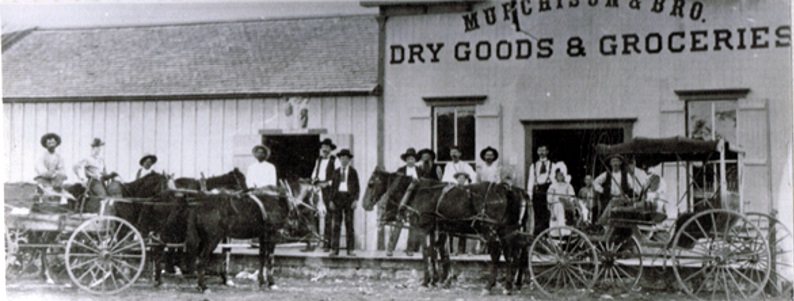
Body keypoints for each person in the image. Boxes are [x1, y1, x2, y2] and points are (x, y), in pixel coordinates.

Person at [387, 148, 423, 256]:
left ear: (415, 160)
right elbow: (396, 187)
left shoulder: (420, 171)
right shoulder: (401, 170)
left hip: (415, 201)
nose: (410, 161)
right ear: (406, 160)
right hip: (403, 200)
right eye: (408, 159)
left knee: (413, 224)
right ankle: (390, 248)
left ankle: (410, 249)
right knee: (398, 224)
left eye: (412, 159)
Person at [527, 146, 567, 235]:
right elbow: (530, 181)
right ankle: (538, 237)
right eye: (540, 150)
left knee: (548, 215)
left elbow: (555, 181)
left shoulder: (553, 165)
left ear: (547, 152)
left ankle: (547, 236)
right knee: (537, 216)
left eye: (544, 150)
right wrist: (529, 196)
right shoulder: (533, 166)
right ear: (537, 152)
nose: (542, 152)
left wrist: (555, 194)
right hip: (537, 193)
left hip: (548, 192)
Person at [592, 155, 643, 225]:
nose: (615, 164)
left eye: (617, 161)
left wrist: (638, 195)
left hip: (621, 199)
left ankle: (602, 222)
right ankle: (603, 224)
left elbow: (633, 187)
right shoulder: (606, 174)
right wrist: (603, 190)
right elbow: (595, 182)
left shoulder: (626, 175)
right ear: (610, 164)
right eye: (613, 161)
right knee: (608, 212)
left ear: (620, 163)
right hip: (609, 198)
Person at [329, 149, 360, 257]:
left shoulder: (353, 172)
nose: (344, 160)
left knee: (349, 224)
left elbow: (357, 188)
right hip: (337, 199)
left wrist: (355, 200)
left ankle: (350, 249)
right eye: (342, 158)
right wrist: (331, 200)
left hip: (349, 199)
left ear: (349, 160)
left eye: (346, 158)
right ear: (339, 159)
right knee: (336, 225)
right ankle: (334, 249)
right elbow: (332, 188)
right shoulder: (336, 172)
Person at [73, 138, 117, 212]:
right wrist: (82, 179)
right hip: (93, 182)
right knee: (103, 197)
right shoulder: (87, 159)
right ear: (93, 147)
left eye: (100, 147)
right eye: (98, 147)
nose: (99, 149)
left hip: (102, 182)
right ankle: (98, 213)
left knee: (111, 195)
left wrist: (111, 175)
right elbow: (76, 167)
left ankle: (105, 212)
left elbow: (104, 174)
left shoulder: (101, 160)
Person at [311, 138, 339, 252]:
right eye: (323, 147)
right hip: (318, 189)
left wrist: (327, 183)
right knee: (315, 213)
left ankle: (328, 243)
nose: (325, 149)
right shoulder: (318, 160)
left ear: (331, 149)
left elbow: (337, 176)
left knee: (329, 216)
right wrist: (314, 181)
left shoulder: (335, 160)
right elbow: (314, 173)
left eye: (327, 147)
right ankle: (316, 241)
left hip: (329, 190)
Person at [547, 169, 575, 234]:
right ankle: (555, 240)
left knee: (564, 222)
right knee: (555, 223)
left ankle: (565, 236)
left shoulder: (568, 185)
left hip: (566, 206)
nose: (560, 176)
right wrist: (552, 213)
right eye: (558, 175)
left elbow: (572, 197)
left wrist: (572, 206)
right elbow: (549, 200)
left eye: (562, 175)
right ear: (556, 176)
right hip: (556, 207)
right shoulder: (553, 186)